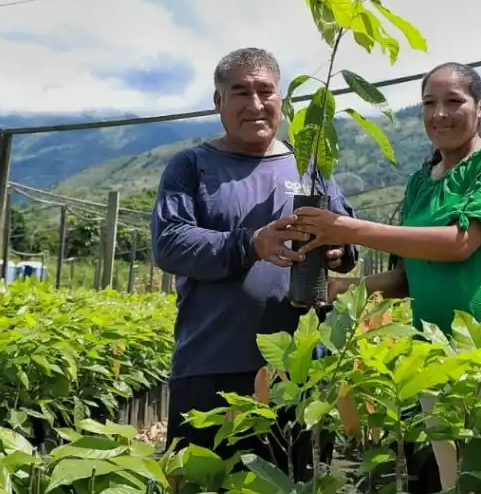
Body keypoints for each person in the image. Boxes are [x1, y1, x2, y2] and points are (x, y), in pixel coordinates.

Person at [288, 61, 481, 494]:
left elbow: (461, 243)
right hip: (437, 356)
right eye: (430, 103)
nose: (440, 114)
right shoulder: (419, 183)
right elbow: (407, 278)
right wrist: (343, 288)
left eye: (454, 102)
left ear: (480, 108)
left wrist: (347, 229)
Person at [150, 47, 359, 466]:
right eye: (241, 92)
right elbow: (170, 243)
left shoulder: (309, 166)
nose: (256, 104)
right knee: (203, 491)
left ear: (281, 99)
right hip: (211, 363)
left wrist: (339, 251)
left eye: (266, 91)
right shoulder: (191, 166)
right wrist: (251, 243)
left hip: (295, 370)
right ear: (219, 101)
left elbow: (347, 236)